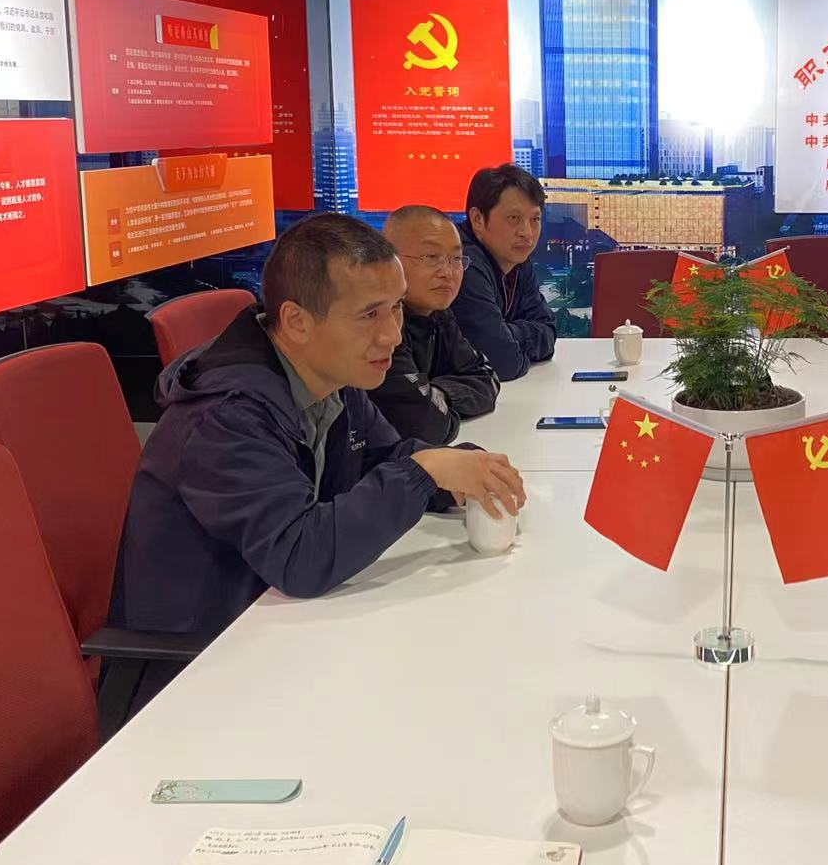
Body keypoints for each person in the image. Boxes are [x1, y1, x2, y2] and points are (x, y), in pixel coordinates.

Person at [111, 213, 526, 644]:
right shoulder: (226, 417)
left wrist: (455, 470)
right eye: (369, 314)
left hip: (285, 627)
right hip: (207, 656)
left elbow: (383, 457)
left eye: (396, 308)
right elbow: (299, 556)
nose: (393, 336)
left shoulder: (330, 375)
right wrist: (425, 472)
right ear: (297, 322)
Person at [369, 204, 501, 443]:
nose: (447, 272)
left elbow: (488, 379)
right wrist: (431, 398)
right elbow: (425, 424)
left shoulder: (438, 315)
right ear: (388, 260)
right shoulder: (381, 327)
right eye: (431, 257)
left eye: (456, 259)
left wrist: (437, 393)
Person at [453, 163, 556, 380]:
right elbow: (502, 362)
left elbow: (548, 333)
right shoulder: (460, 263)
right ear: (478, 220)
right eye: (513, 218)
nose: (527, 233)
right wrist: (513, 340)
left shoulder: (517, 260)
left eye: (535, 219)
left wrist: (508, 333)